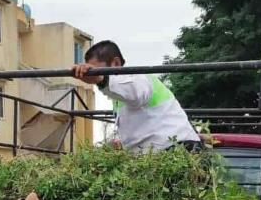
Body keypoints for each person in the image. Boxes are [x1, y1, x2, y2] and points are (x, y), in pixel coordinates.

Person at [72, 40, 201, 153]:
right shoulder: (117, 96)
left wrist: (101, 78)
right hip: (155, 157)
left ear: (115, 63)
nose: (93, 77)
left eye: (97, 70)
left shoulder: (138, 78)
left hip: (179, 150)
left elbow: (135, 91)